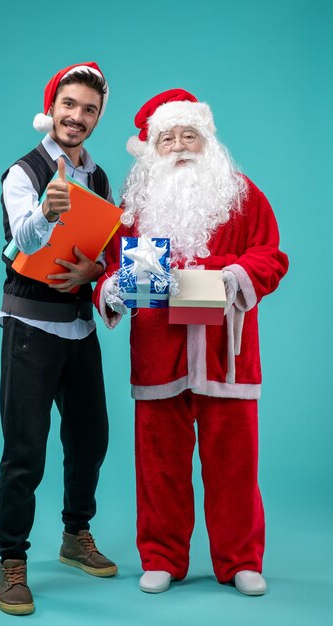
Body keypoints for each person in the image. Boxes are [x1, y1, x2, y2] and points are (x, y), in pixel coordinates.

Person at [93, 89, 288, 596]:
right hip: (159, 355)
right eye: (168, 138)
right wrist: (112, 288)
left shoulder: (242, 195)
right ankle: (162, 556)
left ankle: (240, 559)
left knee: (235, 465)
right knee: (159, 466)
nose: (179, 146)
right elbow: (111, 268)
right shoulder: (134, 207)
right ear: (152, 148)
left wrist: (238, 275)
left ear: (208, 141)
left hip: (228, 357)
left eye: (189, 136)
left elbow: (271, 255)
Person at [0, 62, 117, 616]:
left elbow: (106, 252)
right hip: (30, 325)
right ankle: (12, 561)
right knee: (25, 451)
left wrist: (94, 274)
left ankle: (75, 535)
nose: (78, 117)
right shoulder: (23, 172)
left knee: (91, 439)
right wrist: (45, 210)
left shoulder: (98, 175)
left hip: (79, 326)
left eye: (89, 109)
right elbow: (19, 237)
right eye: (70, 105)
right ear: (54, 107)